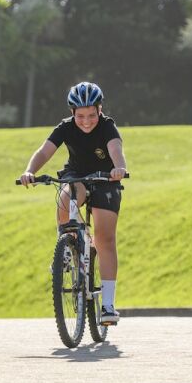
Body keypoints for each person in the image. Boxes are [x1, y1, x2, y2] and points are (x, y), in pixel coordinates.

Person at [19, 81, 127, 324]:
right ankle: (66, 249)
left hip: (106, 179)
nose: (86, 121)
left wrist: (119, 168)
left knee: (104, 238)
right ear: (72, 113)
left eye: (91, 115)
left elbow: (116, 150)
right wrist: (29, 171)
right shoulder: (65, 128)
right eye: (80, 116)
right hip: (77, 176)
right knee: (65, 198)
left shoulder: (107, 127)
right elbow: (44, 151)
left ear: (100, 110)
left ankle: (108, 305)